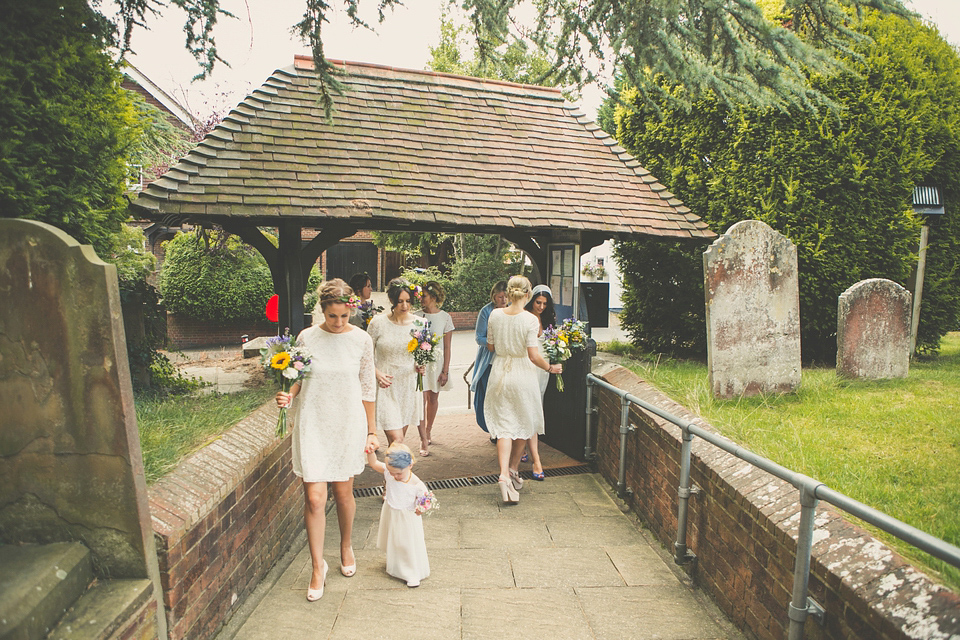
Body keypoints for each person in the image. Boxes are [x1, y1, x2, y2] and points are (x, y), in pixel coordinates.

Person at [275, 279, 379, 601]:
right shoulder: (307, 337)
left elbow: (367, 388)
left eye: (344, 317)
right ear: (322, 311)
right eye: (332, 316)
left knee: (343, 492)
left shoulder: (362, 341)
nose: (338, 323)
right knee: (315, 499)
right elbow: (298, 375)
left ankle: (346, 544)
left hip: (348, 423)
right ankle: (317, 566)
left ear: (351, 310)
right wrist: (288, 396)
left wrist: (372, 431)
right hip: (314, 423)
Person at [484, 276, 562, 504]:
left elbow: (491, 346)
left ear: (508, 293)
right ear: (527, 295)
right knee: (523, 424)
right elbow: (533, 354)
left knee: (505, 427)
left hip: (500, 372)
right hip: (522, 374)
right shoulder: (529, 320)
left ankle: (504, 474)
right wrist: (550, 367)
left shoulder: (495, 314)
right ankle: (512, 470)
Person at [368, 278, 427, 445]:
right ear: (392, 300)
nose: (405, 306)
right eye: (400, 301)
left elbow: (422, 353)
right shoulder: (377, 323)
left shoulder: (420, 323)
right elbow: (365, 356)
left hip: (408, 385)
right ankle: (398, 470)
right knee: (397, 439)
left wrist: (421, 365)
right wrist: (377, 373)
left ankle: (393, 471)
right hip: (386, 385)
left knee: (398, 443)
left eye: (408, 301)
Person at [366, 442, 431, 587]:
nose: (395, 476)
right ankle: (396, 565)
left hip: (406, 518)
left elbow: (426, 500)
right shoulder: (390, 471)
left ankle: (412, 573)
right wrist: (370, 451)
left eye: (398, 473)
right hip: (391, 512)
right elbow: (373, 463)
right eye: (392, 472)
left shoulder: (415, 483)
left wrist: (421, 508)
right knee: (394, 540)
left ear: (410, 465)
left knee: (406, 544)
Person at [415, 281, 454, 457]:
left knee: (432, 399)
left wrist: (445, 371)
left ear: (433, 297)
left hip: (436, 364)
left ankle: (429, 430)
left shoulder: (445, 317)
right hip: (420, 364)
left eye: (424, 296)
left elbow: (447, 347)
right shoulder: (416, 317)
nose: (421, 299)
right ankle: (423, 437)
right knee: (420, 401)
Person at [522, 284, 556, 481]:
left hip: (544, 368)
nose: (541, 307)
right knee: (529, 407)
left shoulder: (549, 320)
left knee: (537, 405)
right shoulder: (526, 318)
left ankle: (527, 446)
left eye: (544, 303)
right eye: (538, 302)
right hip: (529, 365)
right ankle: (529, 451)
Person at [470, 280, 508, 436]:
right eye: (500, 297)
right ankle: (492, 430)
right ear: (494, 297)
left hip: (507, 360)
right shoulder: (486, 311)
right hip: (489, 360)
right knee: (488, 395)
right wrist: (494, 342)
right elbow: (479, 337)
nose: (504, 300)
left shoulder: (513, 310)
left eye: (506, 296)